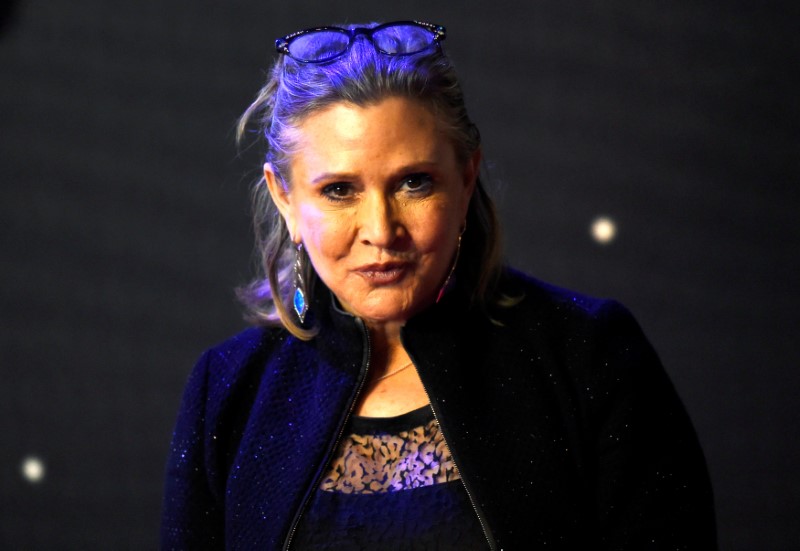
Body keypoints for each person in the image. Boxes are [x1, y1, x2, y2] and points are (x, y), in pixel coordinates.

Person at [161, 20, 717, 550]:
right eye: (339, 190)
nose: (381, 231)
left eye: (414, 182)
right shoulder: (229, 389)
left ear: (466, 177)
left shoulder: (591, 355)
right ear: (284, 197)